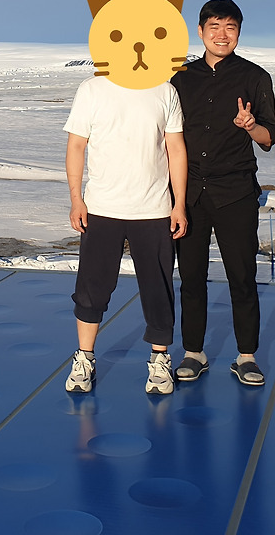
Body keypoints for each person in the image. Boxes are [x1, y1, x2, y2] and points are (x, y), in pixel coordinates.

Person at [63, 45, 189, 396]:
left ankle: (159, 361)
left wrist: (179, 204)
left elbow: (176, 149)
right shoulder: (92, 89)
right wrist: (76, 199)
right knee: (91, 287)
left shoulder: (165, 90)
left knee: (158, 288)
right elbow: (76, 146)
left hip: (154, 209)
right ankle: (84, 358)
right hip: (102, 208)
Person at [169, 0, 275, 387]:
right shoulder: (180, 78)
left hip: (236, 193)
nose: (222, 34)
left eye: (230, 27)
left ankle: (246, 356)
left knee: (242, 277)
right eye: (214, 26)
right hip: (189, 194)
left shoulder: (255, 77)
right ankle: (193, 352)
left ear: (239, 33)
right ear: (200, 31)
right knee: (191, 277)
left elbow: (269, 137)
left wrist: (250, 125)